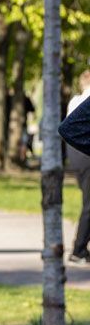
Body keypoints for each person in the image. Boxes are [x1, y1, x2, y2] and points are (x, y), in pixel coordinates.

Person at [62, 70, 90, 265]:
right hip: (83, 156)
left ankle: (80, 248)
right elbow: (69, 129)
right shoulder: (82, 99)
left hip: (77, 155)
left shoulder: (75, 100)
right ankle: (79, 249)